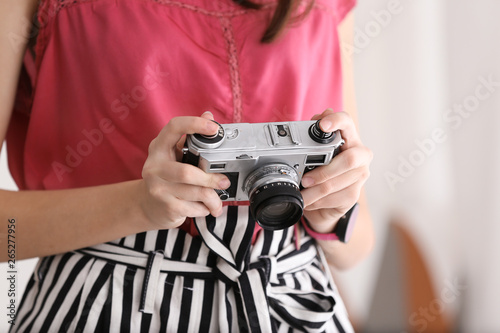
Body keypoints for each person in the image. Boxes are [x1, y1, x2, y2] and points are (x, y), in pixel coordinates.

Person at [1, 0, 374, 331]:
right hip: (107, 306)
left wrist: (331, 211)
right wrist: (138, 204)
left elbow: (359, 244)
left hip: (292, 300)